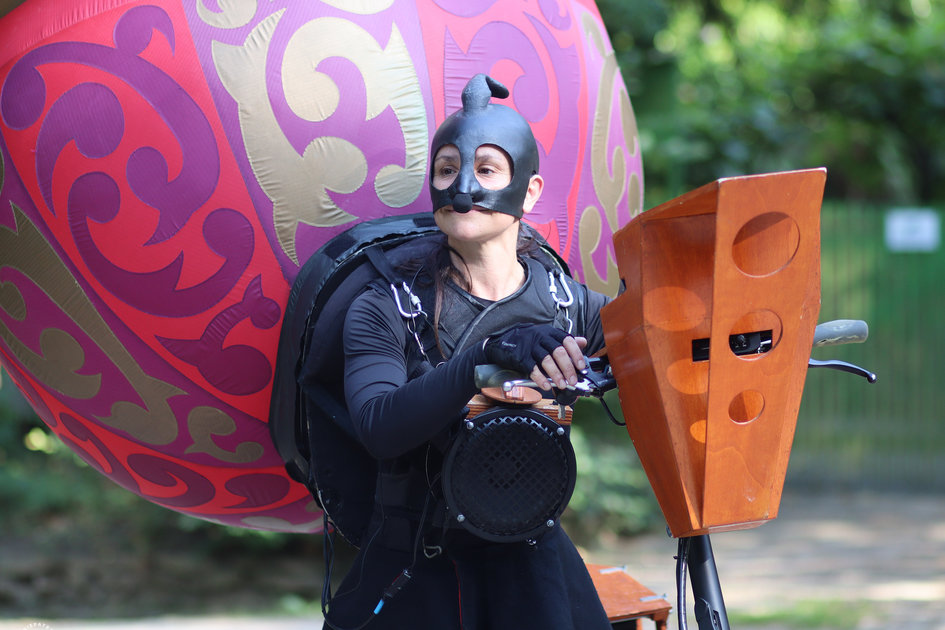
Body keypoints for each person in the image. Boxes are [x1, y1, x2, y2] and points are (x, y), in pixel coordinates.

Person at [322, 74, 613, 630]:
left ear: (529, 190)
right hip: (417, 562)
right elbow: (379, 426)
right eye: (447, 169)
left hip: (533, 564)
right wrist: (487, 356)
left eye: (486, 169)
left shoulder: (566, 302)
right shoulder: (387, 304)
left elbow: (662, 343)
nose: (463, 187)